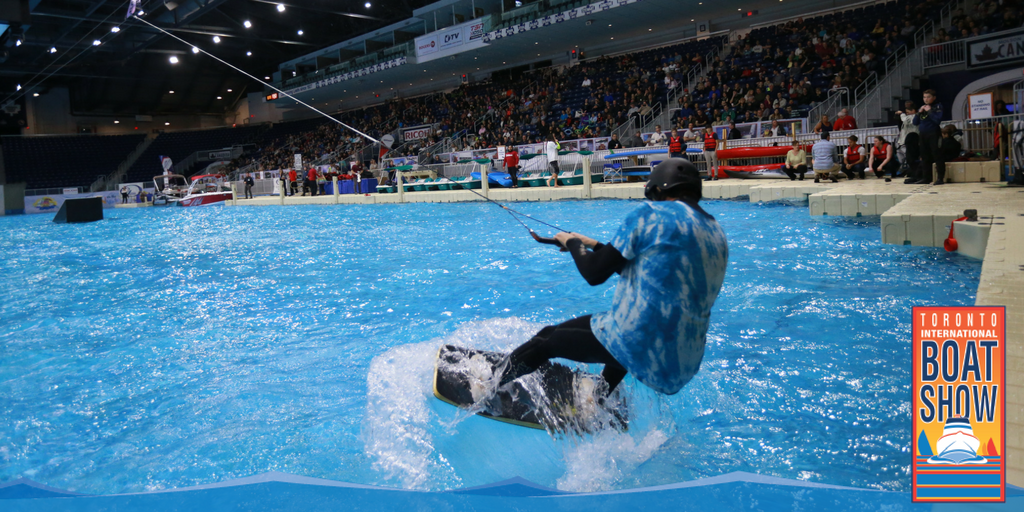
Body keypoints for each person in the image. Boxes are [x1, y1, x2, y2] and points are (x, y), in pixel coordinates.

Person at [497, 159, 728, 397]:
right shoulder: (716, 232)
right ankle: (595, 400)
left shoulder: (652, 214)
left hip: (641, 344)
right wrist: (593, 244)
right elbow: (647, 276)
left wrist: (573, 243)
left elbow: (594, 274)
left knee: (546, 341)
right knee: (614, 333)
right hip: (681, 363)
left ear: (658, 190)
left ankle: (487, 387)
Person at [914, 90, 945, 185]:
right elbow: (915, 122)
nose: (926, 99)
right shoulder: (922, 107)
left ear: (934, 97)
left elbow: (937, 120)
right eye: (924, 97)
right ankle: (926, 177)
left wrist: (930, 111)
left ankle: (940, 178)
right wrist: (919, 112)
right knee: (924, 156)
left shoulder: (937, 107)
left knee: (937, 155)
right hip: (923, 134)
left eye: (928, 97)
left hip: (934, 133)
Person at [896, 102, 920, 184]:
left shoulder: (915, 116)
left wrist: (902, 114)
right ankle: (913, 174)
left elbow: (906, 121)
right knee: (909, 159)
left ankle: (916, 175)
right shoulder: (908, 116)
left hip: (914, 139)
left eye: (909, 111)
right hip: (907, 140)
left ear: (913, 110)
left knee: (912, 158)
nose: (907, 113)